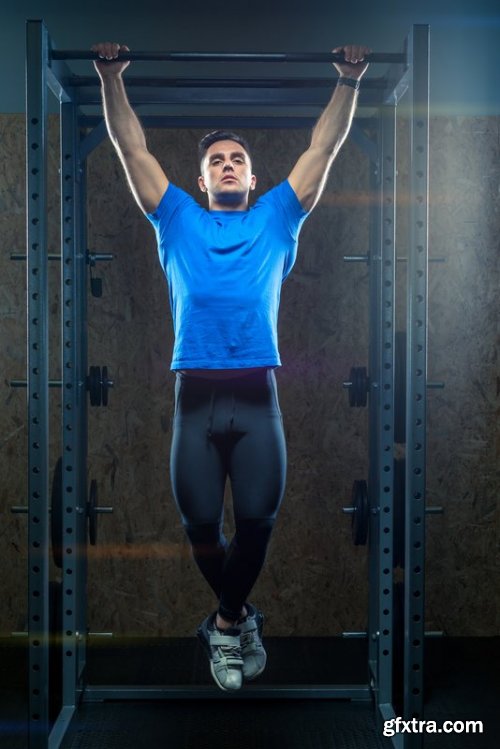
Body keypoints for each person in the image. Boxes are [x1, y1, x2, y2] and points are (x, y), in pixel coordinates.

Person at [92, 40, 370, 691]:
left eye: (236, 160)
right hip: (194, 400)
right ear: (200, 179)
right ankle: (237, 617)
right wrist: (111, 79)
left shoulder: (278, 218)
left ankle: (223, 624)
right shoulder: (176, 220)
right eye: (215, 159)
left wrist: (349, 81)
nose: (226, 165)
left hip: (255, 398)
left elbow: (320, 150)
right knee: (199, 527)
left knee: (256, 526)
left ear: (251, 179)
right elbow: (134, 150)